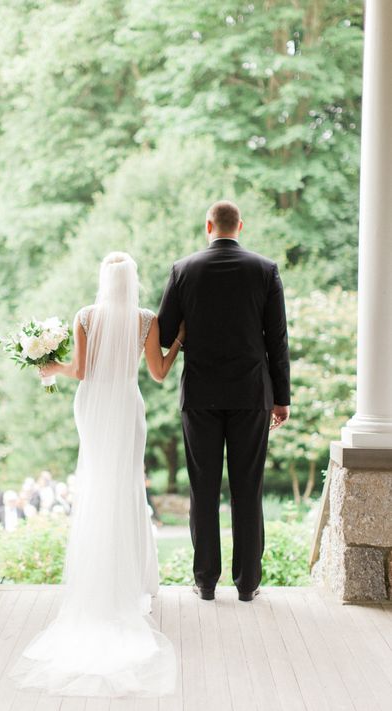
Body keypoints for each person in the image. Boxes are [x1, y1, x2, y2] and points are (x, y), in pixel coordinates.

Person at [7, 251, 182, 697]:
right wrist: (178, 339)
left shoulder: (86, 315)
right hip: (126, 405)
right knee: (126, 488)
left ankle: (102, 577)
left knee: (99, 487)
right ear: (133, 280)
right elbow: (159, 374)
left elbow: (81, 371)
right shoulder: (147, 319)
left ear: (104, 280)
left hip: (93, 405)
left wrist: (52, 367)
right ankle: (136, 579)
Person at [158, 199, 291, 603]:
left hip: (200, 393)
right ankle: (248, 584)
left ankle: (206, 582)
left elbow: (164, 333)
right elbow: (277, 340)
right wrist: (281, 398)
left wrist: (186, 333)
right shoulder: (265, 270)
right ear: (240, 226)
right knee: (247, 489)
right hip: (252, 394)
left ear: (208, 226)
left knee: (203, 487)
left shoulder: (183, 270)